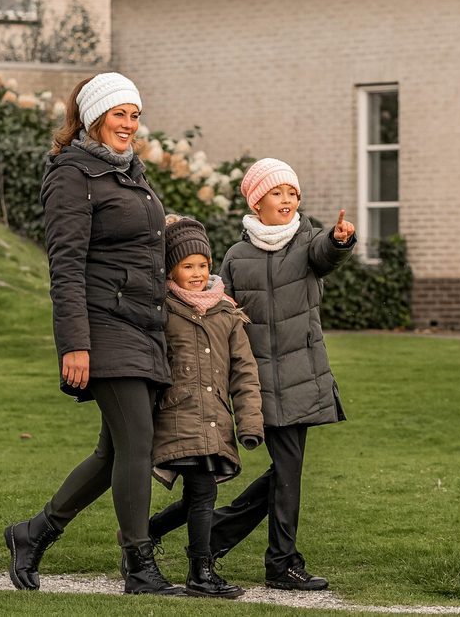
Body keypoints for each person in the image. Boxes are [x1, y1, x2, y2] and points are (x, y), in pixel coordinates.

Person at [4, 72, 183, 595]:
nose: (129, 124)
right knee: (137, 447)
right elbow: (66, 265)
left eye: (134, 115)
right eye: (119, 114)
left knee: (114, 452)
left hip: (144, 325)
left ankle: (33, 533)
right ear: (93, 117)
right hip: (104, 325)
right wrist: (74, 344)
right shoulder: (72, 175)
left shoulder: (130, 174)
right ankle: (138, 566)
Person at [149, 157, 355, 591]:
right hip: (253, 383)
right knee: (283, 475)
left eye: (293, 193)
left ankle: (277, 561)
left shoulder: (309, 241)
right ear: (257, 200)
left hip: (301, 379)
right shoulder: (236, 257)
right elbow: (223, 314)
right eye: (278, 192)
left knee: (286, 473)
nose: (288, 200)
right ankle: (180, 534)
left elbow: (326, 255)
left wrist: (340, 241)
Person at [151, 215, 264, 599]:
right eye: (187, 266)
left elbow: (244, 372)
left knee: (196, 497)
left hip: (214, 419)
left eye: (202, 265)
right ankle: (201, 571)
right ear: (171, 268)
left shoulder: (227, 313)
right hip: (176, 416)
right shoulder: (162, 310)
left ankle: (148, 533)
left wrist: (249, 422)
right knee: (202, 493)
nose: (197, 273)